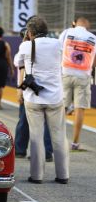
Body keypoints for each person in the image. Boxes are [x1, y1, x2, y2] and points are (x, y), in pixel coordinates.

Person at [14, 16, 69, 184]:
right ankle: (63, 175)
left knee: (36, 137)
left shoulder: (26, 45)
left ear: (30, 32)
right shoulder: (57, 43)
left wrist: (25, 41)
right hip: (54, 97)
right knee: (59, 136)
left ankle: (37, 176)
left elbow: (18, 63)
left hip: (34, 98)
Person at [59, 17, 96, 150]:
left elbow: (58, 50)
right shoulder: (92, 37)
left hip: (66, 73)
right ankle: (75, 143)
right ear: (87, 26)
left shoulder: (67, 32)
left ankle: (58, 139)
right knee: (79, 109)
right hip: (83, 76)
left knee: (61, 108)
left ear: (75, 23)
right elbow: (94, 61)